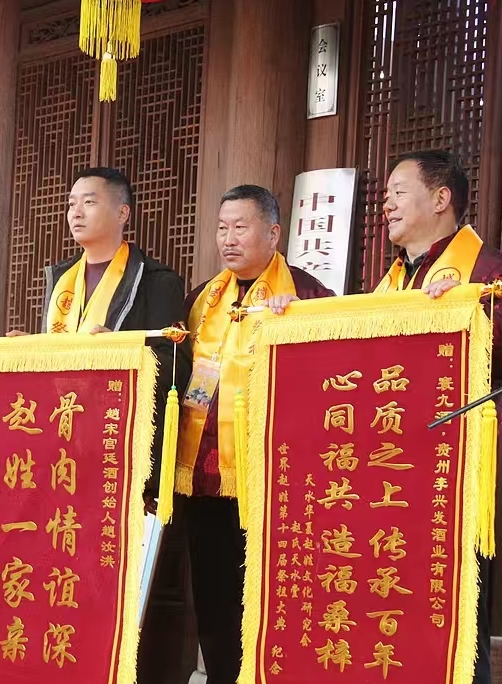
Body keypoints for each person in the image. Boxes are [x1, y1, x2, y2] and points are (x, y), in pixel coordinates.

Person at [376, 149, 502, 682]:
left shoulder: (487, 270)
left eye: (399, 192)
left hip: (451, 471)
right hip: (388, 468)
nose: (386, 204)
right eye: (386, 195)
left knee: (454, 622)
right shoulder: (392, 278)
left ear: (441, 199)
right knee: (392, 610)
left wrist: (473, 309)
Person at [175, 184, 334, 684]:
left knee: (269, 596)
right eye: (222, 228)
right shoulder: (202, 298)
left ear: (273, 232)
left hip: (273, 480)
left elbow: (332, 381)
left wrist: (298, 326)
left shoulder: (307, 295)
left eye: (240, 227)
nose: (228, 239)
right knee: (215, 598)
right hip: (205, 479)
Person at [8, 167, 192, 509]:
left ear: (123, 213)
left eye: (89, 203)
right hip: (62, 443)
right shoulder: (62, 278)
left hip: (118, 448)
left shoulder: (156, 281)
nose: (75, 213)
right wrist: (31, 350)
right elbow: (64, 355)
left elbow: (176, 369)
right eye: (71, 204)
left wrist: (120, 352)